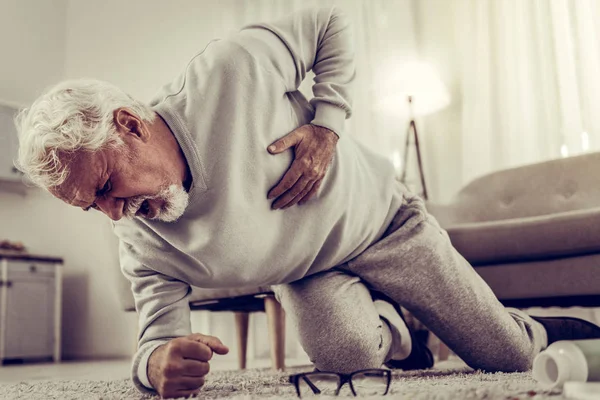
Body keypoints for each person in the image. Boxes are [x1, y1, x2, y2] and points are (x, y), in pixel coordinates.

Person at [15, 6, 600, 399]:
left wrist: (328, 125)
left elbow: (327, 21)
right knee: (347, 357)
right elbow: (155, 340)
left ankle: (528, 325)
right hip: (311, 268)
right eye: (90, 208)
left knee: (509, 356)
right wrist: (156, 364)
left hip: (384, 223)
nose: (112, 214)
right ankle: (404, 331)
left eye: (105, 187)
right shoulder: (139, 236)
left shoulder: (227, 71)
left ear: (129, 125)